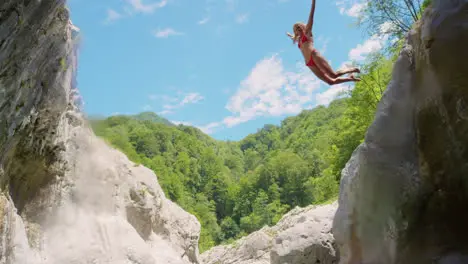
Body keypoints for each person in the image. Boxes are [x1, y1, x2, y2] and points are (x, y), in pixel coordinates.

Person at [286, 0, 361, 85]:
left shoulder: (307, 32)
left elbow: (311, 17)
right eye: (296, 28)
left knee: (334, 75)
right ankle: (350, 79)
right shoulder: (298, 39)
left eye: (299, 26)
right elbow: (293, 38)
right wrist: (290, 35)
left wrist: (313, 3)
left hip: (313, 55)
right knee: (330, 82)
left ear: (303, 26)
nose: (298, 28)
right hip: (309, 63)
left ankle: (351, 69)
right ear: (295, 32)